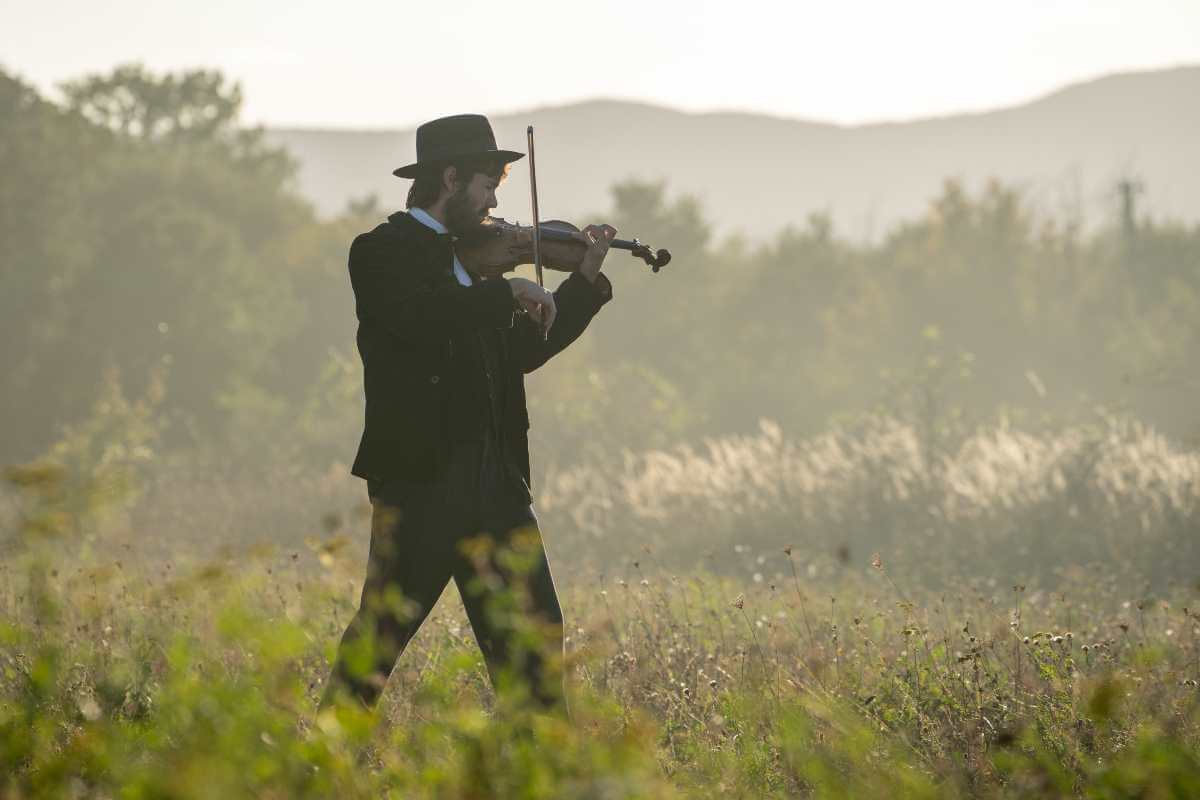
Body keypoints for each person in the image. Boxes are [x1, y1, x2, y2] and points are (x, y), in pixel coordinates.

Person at [321, 114, 615, 713]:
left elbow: (523, 354)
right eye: (486, 186)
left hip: (497, 483)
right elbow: (421, 317)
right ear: (450, 179)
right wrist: (505, 292)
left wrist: (581, 285)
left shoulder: (482, 270)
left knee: (534, 640)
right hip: (422, 483)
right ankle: (321, 754)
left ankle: (535, 760)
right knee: (379, 639)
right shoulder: (382, 252)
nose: (494, 205)